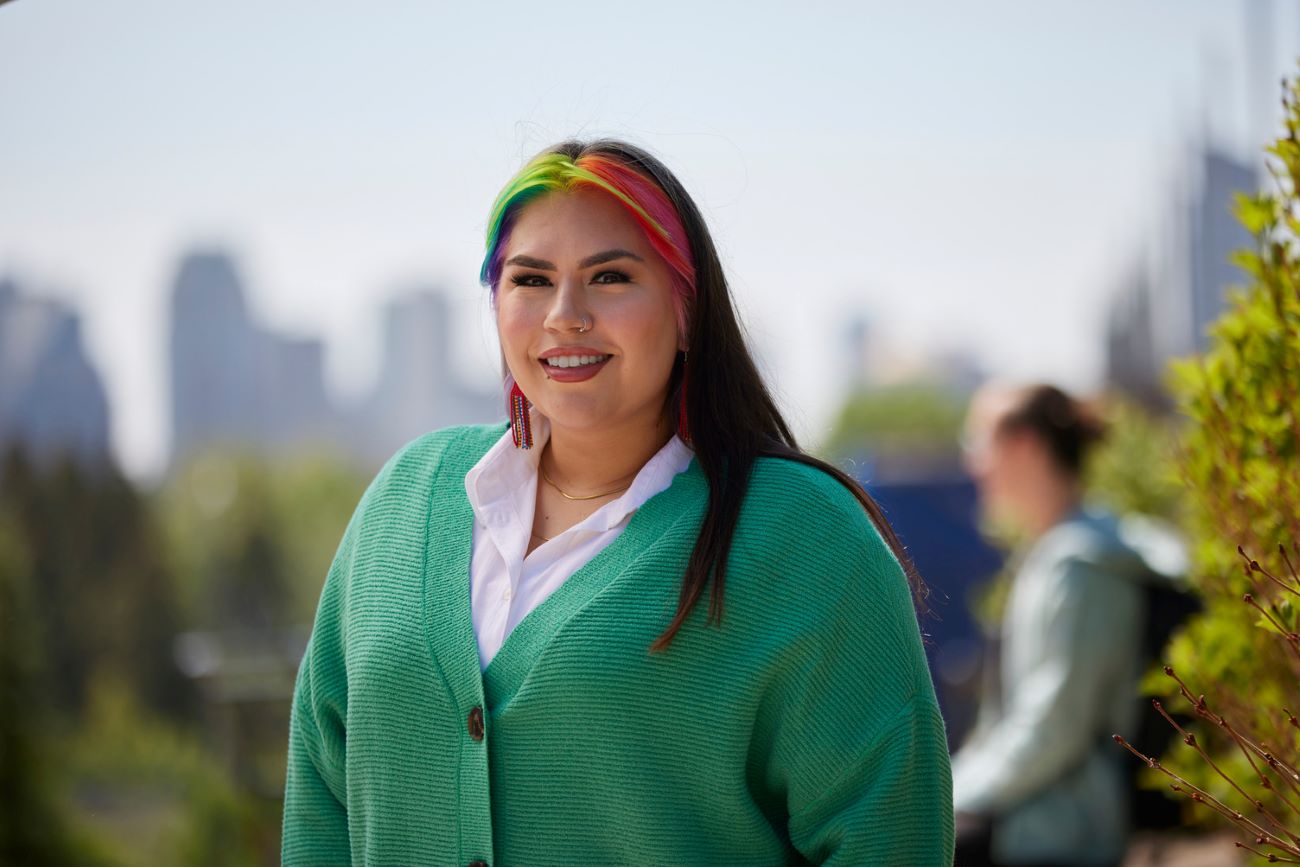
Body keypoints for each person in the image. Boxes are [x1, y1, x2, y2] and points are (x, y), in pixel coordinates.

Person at [280, 139, 954, 865]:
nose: (565, 314)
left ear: (687, 311)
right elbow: (322, 796)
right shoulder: (404, 500)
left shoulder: (806, 538)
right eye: (530, 279)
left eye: (609, 276)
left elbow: (889, 834)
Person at [951, 383, 1188, 867]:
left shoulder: (1078, 567)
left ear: (1025, 446)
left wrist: (948, 796)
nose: (973, 464)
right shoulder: (1073, 551)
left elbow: (1055, 728)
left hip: (1057, 833)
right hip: (1042, 821)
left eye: (979, 444)